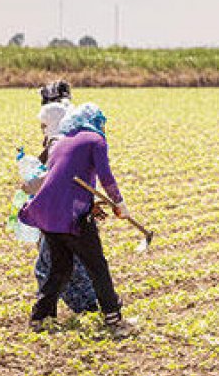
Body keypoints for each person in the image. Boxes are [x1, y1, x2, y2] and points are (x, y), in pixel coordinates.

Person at [18, 103, 135, 339]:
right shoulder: (95, 140)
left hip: (47, 212)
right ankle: (113, 317)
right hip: (71, 216)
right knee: (97, 266)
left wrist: (90, 203)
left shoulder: (61, 140)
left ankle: (40, 317)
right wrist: (118, 202)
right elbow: (105, 175)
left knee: (61, 267)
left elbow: (61, 181)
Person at [27, 101, 99, 314]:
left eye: (43, 125)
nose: (42, 129)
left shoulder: (57, 144)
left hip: (59, 215)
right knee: (69, 265)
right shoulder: (71, 141)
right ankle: (87, 306)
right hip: (69, 213)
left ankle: (84, 307)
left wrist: (30, 184)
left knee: (50, 267)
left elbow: (51, 181)